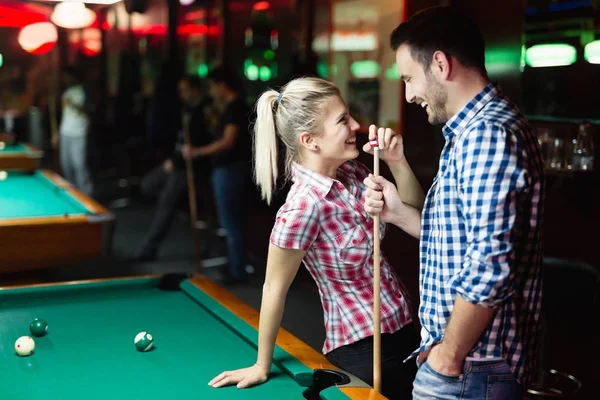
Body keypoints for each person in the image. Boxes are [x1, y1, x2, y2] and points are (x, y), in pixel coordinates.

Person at [363, 6, 545, 399]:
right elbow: (460, 240)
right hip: (473, 363)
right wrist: (396, 213)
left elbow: (490, 265)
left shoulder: (485, 135)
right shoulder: (475, 129)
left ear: (441, 64)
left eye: (410, 78)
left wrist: (448, 355)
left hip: (473, 365)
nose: (409, 94)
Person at [206, 77, 418, 399]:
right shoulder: (303, 206)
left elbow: (415, 213)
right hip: (364, 351)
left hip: (406, 328)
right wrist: (262, 364)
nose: (356, 125)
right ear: (310, 140)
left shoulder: (354, 172)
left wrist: (397, 162)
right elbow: (274, 288)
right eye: (343, 120)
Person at [181, 67, 251, 284]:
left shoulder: (235, 108)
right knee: (233, 222)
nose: (210, 91)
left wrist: (197, 152)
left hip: (230, 170)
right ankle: (235, 265)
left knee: (231, 223)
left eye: (212, 86)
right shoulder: (233, 107)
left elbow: (228, 141)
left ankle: (237, 269)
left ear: (222, 85)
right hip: (231, 170)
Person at [133, 75, 212, 261]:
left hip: (190, 167)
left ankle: (148, 249)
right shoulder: (187, 108)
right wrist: (173, 159)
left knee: (165, 202)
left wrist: (178, 160)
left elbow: (201, 142)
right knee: (147, 185)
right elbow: (179, 141)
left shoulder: (205, 111)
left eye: (185, 90)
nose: (181, 94)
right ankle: (174, 205)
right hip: (175, 163)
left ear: (195, 89)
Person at [58, 67, 93, 196]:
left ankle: (87, 194)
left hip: (79, 132)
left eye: (67, 77)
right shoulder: (67, 91)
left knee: (79, 165)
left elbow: (88, 110)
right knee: (66, 165)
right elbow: (64, 114)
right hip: (65, 132)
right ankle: (72, 194)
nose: (65, 80)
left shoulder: (84, 90)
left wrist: (72, 104)